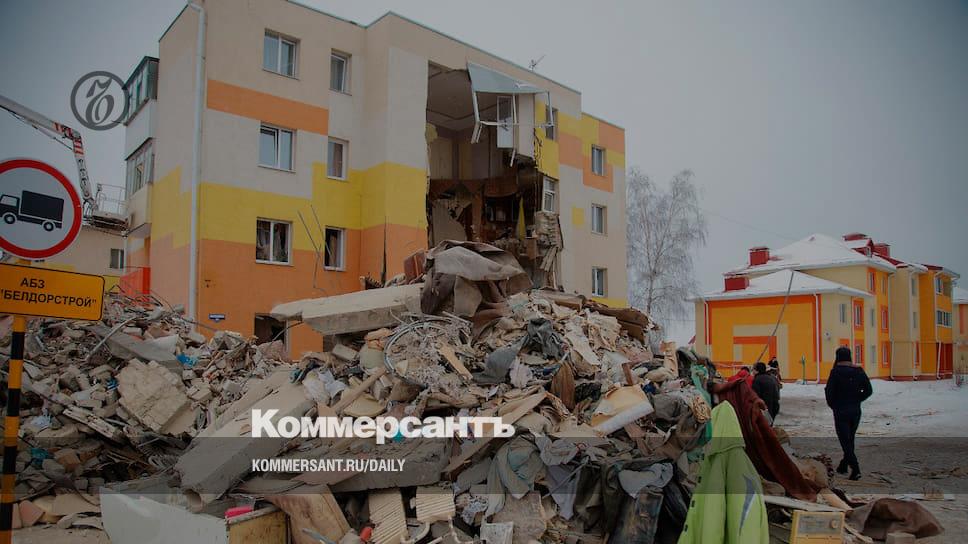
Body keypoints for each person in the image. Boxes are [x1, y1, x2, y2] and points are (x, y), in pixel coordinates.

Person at [824, 346, 873, 481]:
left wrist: (834, 405)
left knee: (845, 441)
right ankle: (843, 465)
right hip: (855, 411)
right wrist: (857, 399)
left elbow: (829, 392)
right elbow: (868, 390)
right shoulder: (858, 371)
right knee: (850, 439)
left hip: (841, 411)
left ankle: (855, 469)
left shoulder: (835, 372)